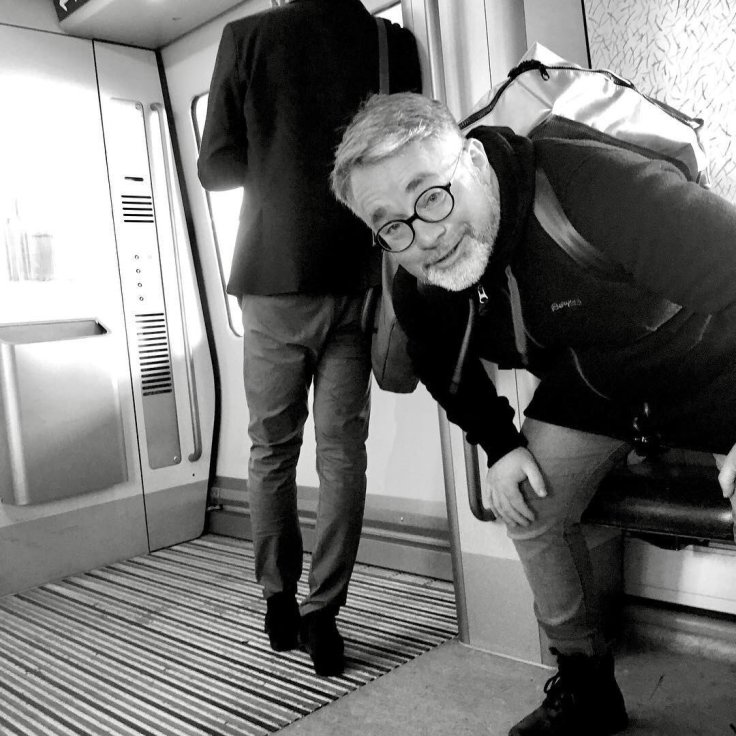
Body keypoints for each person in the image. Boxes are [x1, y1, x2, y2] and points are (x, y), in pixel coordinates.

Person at [330, 92, 736, 733]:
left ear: (471, 160)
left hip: (711, 360)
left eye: (431, 195)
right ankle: (587, 687)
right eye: (392, 226)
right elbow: (440, 365)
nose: (426, 237)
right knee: (528, 503)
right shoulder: (416, 277)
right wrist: (499, 444)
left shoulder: (594, 185)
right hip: (596, 384)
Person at [197, 4, 421, 677]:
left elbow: (217, 169)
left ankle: (277, 602)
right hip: (359, 275)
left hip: (274, 276)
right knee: (343, 455)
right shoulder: (389, 42)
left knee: (272, 448)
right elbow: (416, 153)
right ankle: (325, 614)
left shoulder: (246, 38)